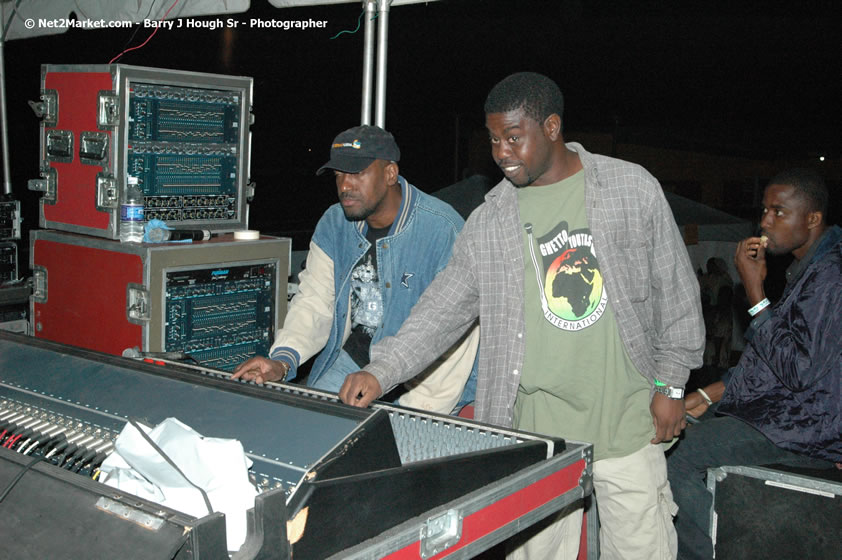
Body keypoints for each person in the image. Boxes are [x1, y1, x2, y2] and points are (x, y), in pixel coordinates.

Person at [339, 72, 705, 559]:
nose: (501, 153)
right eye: (493, 140)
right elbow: (441, 308)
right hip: (537, 436)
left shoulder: (629, 188)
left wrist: (672, 386)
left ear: (551, 127)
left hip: (628, 422)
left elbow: (677, 294)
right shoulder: (491, 220)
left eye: (513, 138)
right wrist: (382, 370)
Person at [232, 124, 478, 414]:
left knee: (384, 439)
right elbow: (315, 301)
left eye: (357, 173)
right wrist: (283, 361)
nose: (345, 186)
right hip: (358, 361)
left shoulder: (443, 230)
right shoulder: (335, 224)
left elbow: (453, 334)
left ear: (390, 173)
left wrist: (411, 414)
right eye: (339, 175)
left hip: (426, 374)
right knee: (301, 421)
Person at [667, 168, 841, 560]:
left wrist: (755, 293)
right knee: (678, 428)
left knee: (678, 456)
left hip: (807, 428)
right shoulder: (810, 268)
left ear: (812, 218)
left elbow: (796, 370)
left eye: (779, 212)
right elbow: (768, 361)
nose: (765, 222)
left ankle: (722, 546)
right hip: (787, 415)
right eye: (764, 210)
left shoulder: (830, 275)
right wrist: (706, 397)